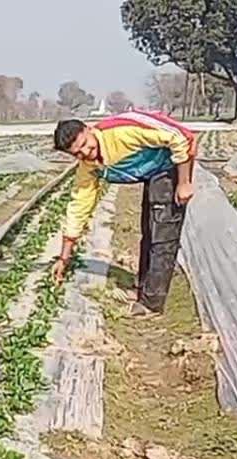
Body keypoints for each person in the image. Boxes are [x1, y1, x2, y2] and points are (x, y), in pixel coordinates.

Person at [51, 111, 196, 316]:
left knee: (163, 235)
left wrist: (184, 183)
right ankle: (143, 290)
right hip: (153, 172)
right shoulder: (89, 167)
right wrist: (63, 258)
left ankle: (152, 303)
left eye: (85, 144)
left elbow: (182, 137)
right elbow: (78, 208)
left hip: (172, 165)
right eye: (78, 153)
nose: (86, 152)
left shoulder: (121, 132)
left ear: (89, 129)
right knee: (149, 230)